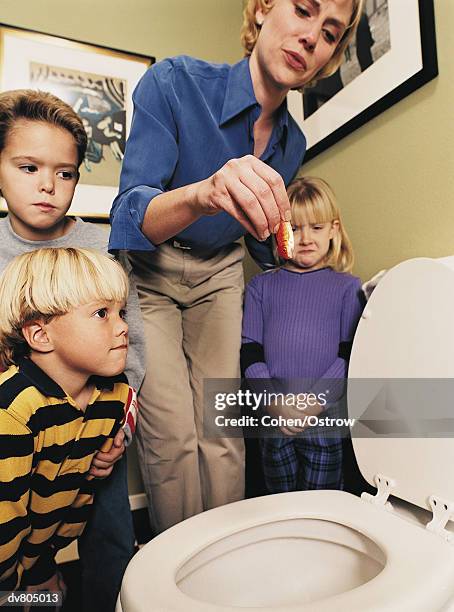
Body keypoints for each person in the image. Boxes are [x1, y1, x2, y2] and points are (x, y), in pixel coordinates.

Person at [110, 0, 364, 533]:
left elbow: (259, 238)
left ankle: (229, 561)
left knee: (224, 429)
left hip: (221, 273)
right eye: (303, 9)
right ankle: (182, 570)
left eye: (330, 32)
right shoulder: (174, 83)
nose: (311, 37)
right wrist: (203, 194)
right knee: (174, 434)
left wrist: (288, 250)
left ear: (330, 57)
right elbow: (129, 211)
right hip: (151, 270)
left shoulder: (292, 143)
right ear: (264, 8)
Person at [0, 90, 146, 612]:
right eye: (28, 166)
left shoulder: (101, 246)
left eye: (64, 173)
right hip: (16, 436)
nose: (47, 185)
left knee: (107, 534)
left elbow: (133, 351)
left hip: (93, 437)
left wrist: (118, 433)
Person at [0, 248, 132, 603]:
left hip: (42, 551)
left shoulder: (113, 396)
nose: (122, 326)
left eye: (122, 312)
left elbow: (79, 488)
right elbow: (4, 520)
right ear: (41, 336)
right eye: (102, 313)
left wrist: (41, 569)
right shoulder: (12, 412)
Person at [241, 177, 364, 492]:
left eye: (317, 228)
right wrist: (274, 403)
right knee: (279, 503)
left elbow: (347, 356)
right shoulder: (261, 287)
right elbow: (250, 351)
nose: (306, 238)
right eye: (294, 228)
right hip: (274, 417)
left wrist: (314, 401)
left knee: (323, 507)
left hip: (325, 418)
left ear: (334, 229)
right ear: (279, 233)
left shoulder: (348, 288)